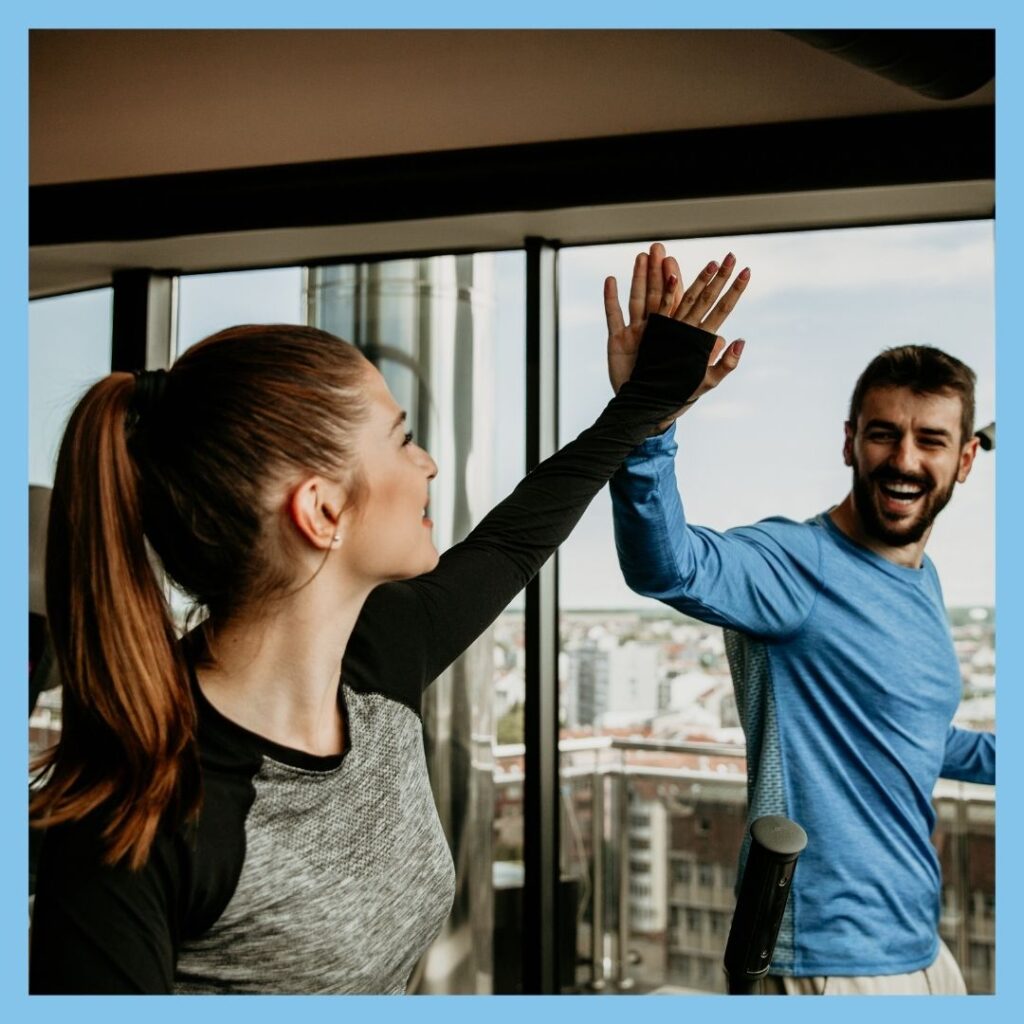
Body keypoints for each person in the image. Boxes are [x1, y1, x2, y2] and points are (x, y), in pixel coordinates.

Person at [29, 250, 748, 995]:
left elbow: (514, 539)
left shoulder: (374, 658)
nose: (429, 464)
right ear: (322, 510)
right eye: (402, 438)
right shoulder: (137, 819)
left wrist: (643, 405)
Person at [607, 243, 995, 995]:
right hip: (823, 964)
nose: (904, 459)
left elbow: (908, 730)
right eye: (883, 433)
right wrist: (649, 414)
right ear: (849, 440)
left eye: (931, 440)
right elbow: (667, 563)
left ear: (965, 461)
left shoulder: (922, 578)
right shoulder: (794, 565)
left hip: (922, 949)